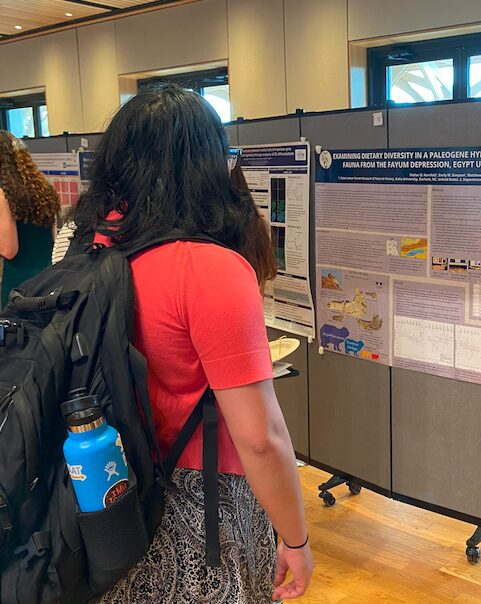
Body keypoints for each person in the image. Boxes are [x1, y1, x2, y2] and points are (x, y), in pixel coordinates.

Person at [72, 83, 313, 602]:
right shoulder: (208, 268)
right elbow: (259, 436)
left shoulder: (89, 248)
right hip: (199, 503)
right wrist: (296, 537)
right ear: (206, 163)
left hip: (108, 498)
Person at [0, 130, 61, 305]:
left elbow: (9, 250)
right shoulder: (40, 188)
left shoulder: (3, 194)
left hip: (17, 285)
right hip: (46, 278)